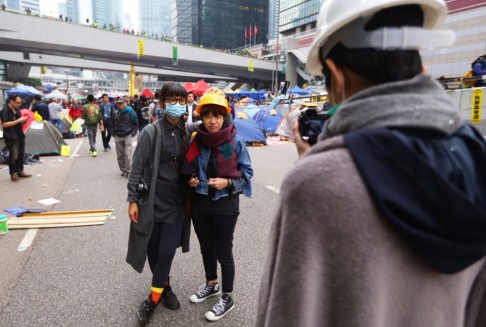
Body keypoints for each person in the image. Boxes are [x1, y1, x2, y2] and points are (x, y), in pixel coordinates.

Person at [257, 1, 486, 326]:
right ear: (420, 69)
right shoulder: (475, 154)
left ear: (336, 76)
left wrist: (316, 168)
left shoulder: (314, 183)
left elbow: (287, 313)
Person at [126, 83, 193, 326]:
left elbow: (215, 130)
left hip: (176, 204)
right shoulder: (150, 132)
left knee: (166, 251)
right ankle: (164, 287)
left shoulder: (188, 131)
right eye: (171, 100)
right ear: (162, 103)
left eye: (181, 99)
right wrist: (132, 200)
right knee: (154, 252)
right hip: (151, 202)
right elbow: (136, 168)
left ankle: (151, 301)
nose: (177, 104)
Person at [184, 93, 253, 322]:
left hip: (225, 203)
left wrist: (228, 181)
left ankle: (227, 296)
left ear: (225, 118)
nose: (212, 121)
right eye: (208, 116)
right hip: (200, 201)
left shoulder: (230, 143)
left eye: (217, 116)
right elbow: (189, 168)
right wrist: (192, 179)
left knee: (223, 250)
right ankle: (211, 285)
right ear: (201, 117)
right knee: (206, 248)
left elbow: (246, 173)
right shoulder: (198, 140)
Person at [1, 95, 31, 181]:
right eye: (17, 102)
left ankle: (20, 171)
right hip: (11, 136)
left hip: (20, 135)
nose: (19, 104)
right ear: (11, 101)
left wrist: (23, 121)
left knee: (21, 154)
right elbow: (5, 124)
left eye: (20, 103)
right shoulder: (5, 111)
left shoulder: (18, 111)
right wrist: (18, 120)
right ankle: (13, 173)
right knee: (14, 155)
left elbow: (19, 123)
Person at [111, 97, 138, 177]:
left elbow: (136, 124)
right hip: (118, 136)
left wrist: (132, 134)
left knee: (127, 154)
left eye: (121, 103)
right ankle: (123, 170)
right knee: (120, 155)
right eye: (118, 103)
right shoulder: (116, 113)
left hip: (128, 135)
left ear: (126, 103)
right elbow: (111, 124)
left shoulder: (131, 112)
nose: (120, 105)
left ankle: (128, 171)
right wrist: (113, 134)